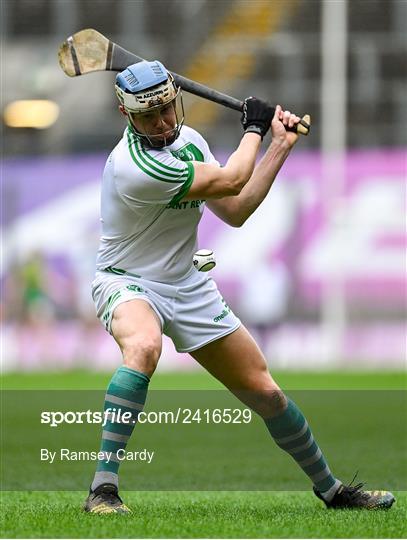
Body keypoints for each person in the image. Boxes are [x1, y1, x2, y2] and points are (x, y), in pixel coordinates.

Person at [84, 60, 395, 514]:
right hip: (126, 280)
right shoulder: (133, 166)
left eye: (169, 108)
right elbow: (231, 177)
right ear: (125, 115)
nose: (164, 122)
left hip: (186, 285)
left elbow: (235, 208)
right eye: (149, 116)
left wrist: (278, 146)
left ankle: (332, 491)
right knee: (144, 347)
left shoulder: (190, 142)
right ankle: (103, 489)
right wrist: (253, 126)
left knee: (267, 393)